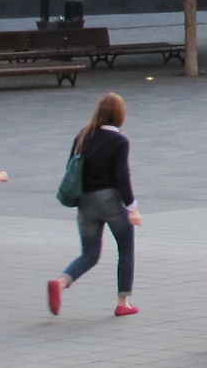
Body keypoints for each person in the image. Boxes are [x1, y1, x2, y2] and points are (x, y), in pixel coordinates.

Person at [49, 92, 142, 317]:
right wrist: (132, 207)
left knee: (89, 253)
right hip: (110, 200)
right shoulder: (119, 140)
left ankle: (60, 283)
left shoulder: (82, 136)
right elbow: (122, 176)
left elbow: (72, 168)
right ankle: (122, 302)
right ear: (120, 115)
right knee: (126, 248)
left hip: (85, 201)